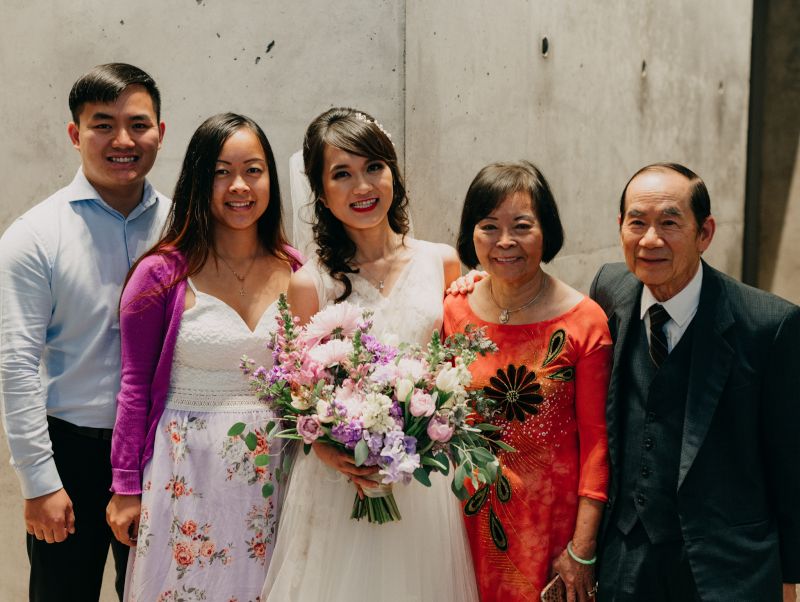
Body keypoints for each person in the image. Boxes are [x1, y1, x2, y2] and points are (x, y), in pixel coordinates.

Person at [261, 107, 479, 602]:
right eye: (342, 174)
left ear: (393, 174)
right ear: (320, 192)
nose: (363, 187)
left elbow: (454, 368)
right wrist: (331, 451)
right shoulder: (308, 283)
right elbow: (295, 398)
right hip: (342, 483)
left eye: (373, 167)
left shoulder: (441, 261)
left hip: (421, 484)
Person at [106, 113, 301, 601]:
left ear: (270, 179)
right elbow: (133, 386)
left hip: (278, 473)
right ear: (198, 179)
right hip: (187, 473)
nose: (239, 185)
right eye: (221, 171)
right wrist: (125, 486)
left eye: (253, 170)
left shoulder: (297, 269)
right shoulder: (160, 274)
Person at [590, 162, 800, 601]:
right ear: (620, 227)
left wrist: (791, 576)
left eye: (669, 223)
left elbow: (789, 460)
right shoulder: (609, 290)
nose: (650, 239)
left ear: (705, 233)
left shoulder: (768, 325)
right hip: (624, 559)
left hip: (725, 567)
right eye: (638, 222)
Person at [0, 63, 167, 601]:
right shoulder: (34, 235)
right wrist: (39, 482)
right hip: (70, 451)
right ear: (76, 135)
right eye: (103, 125)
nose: (123, 140)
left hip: (162, 450)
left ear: (160, 133)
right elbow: (16, 366)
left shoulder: (183, 226)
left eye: (138, 124)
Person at [442, 161, 611, 601]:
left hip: (549, 528)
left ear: (546, 231)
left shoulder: (584, 321)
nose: (505, 242)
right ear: (470, 234)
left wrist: (583, 548)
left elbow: (598, 443)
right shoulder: (454, 310)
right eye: (488, 226)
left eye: (521, 226)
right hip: (463, 521)